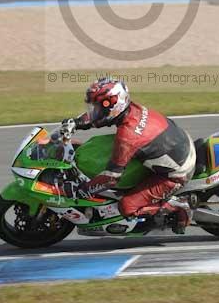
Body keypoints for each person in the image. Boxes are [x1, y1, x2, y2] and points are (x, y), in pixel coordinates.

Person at [65, 77, 196, 234]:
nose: (95, 111)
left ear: (114, 104)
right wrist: (76, 122)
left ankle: (178, 206)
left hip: (176, 173)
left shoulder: (127, 135)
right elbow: (100, 117)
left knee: (127, 206)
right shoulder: (131, 109)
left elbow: (111, 178)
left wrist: (83, 190)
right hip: (177, 145)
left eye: (99, 107)